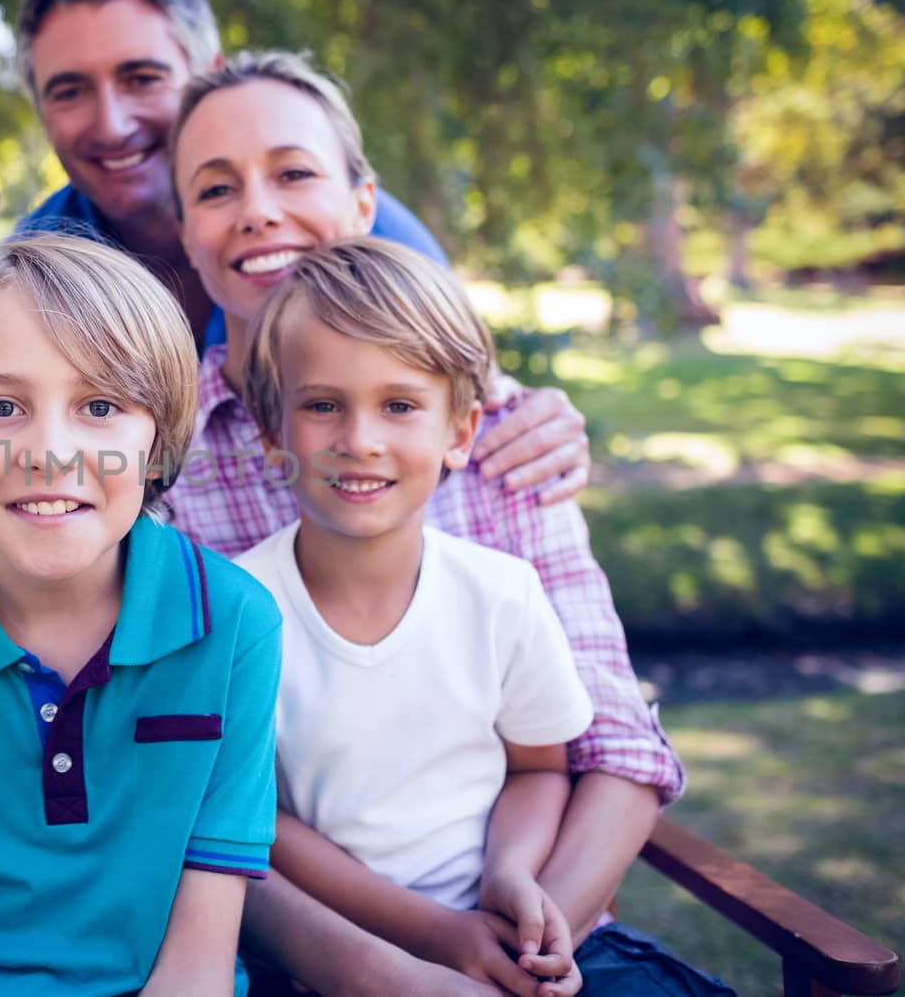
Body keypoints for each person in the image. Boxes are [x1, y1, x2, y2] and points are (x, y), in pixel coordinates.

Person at [169, 52, 692, 994]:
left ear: (364, 201)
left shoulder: (501, 430)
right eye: (217, 187)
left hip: (543, 931)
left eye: (293, 172)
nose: (257, 208)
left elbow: (604, 738)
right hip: (317, 950)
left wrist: (531, 940)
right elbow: (201, 795)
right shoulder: (159, 470)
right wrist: (417, 964)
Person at [239, 238, 733, 997]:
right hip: (339, 959)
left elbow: (539, 768)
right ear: (273, 436)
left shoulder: (503, 596)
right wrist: (437, 935)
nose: (359, 438)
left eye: (399, 405)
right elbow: (264, 823)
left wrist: (511, 874)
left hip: (511, 928)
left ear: (460, 432)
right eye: (322, 405)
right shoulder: (242, 612)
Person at [0, 233, 283, 996]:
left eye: (100, 406)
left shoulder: (233, 625)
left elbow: (197, 963)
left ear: (158, 439)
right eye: (2, 406)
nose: (49, 451)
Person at [11, 0, 591, 506]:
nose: (111, 123)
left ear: (208, 74)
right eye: (69, 91)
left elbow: (462, 392)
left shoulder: (367, 238)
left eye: (142, 78)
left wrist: (534, 425)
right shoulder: (30, 279)